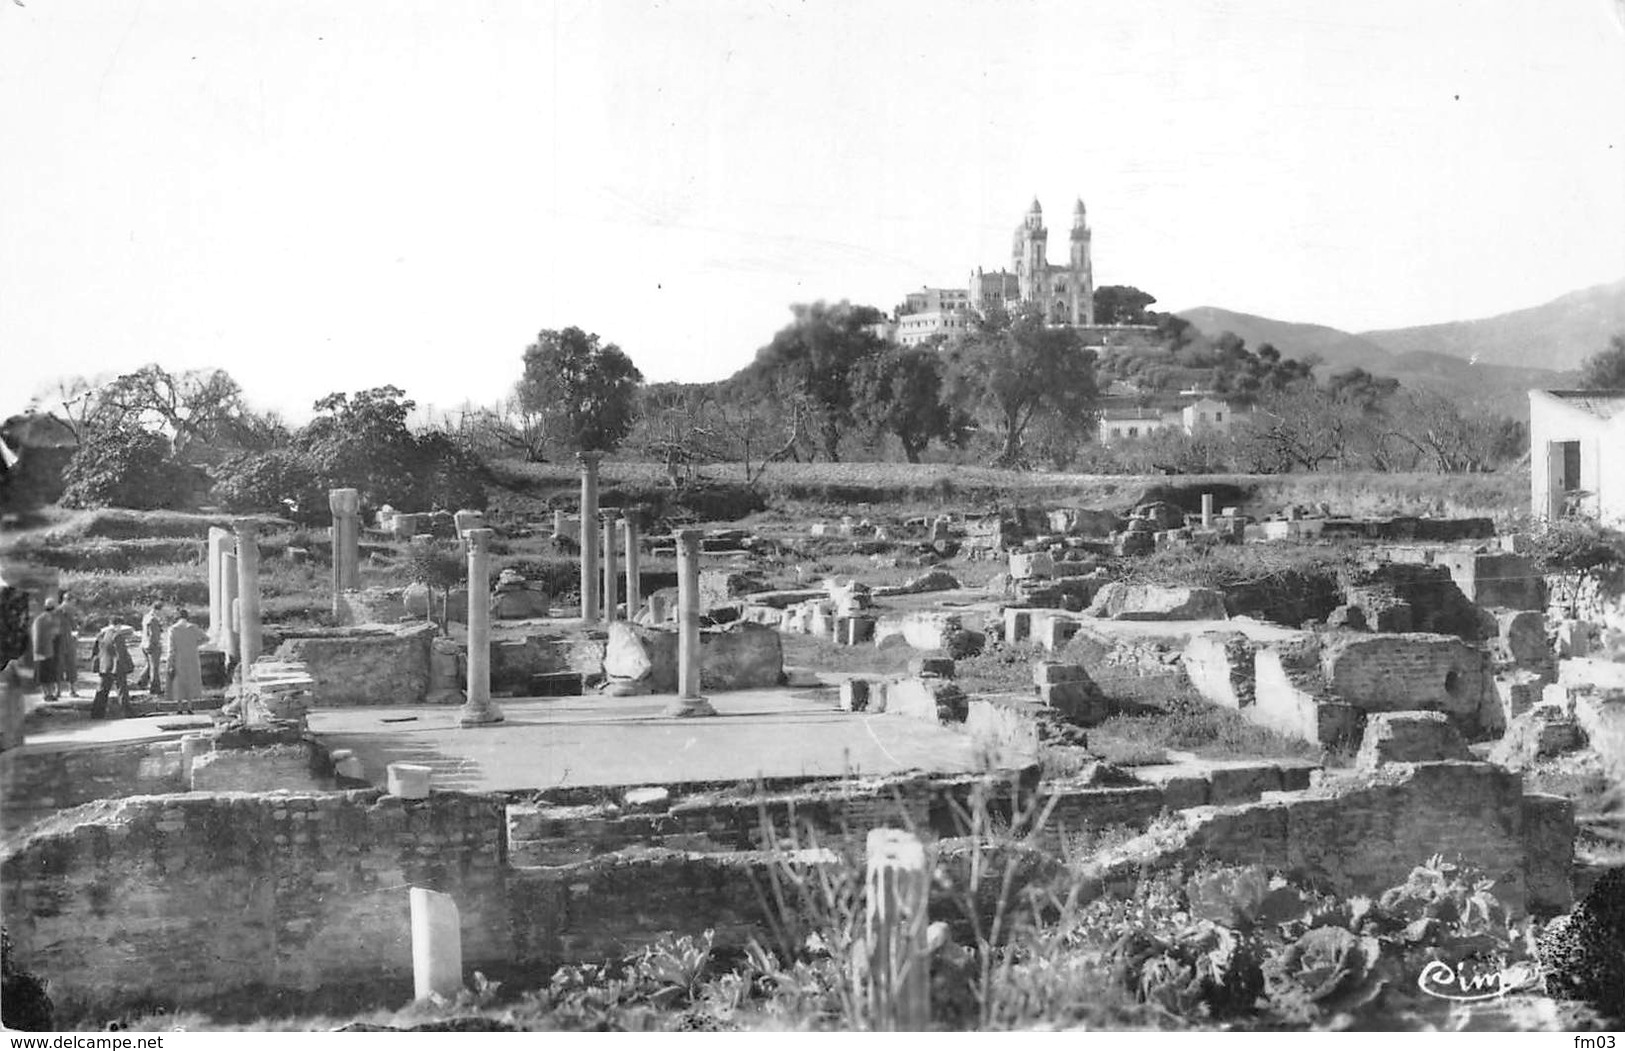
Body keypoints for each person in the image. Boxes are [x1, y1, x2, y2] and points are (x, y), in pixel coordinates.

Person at [164, 608, 207, 716]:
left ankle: (179, 707)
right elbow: (206, 638)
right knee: (190, 680)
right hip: (192, 657)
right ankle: (189, 706)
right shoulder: (193, 628)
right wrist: (195, 644)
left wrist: (169, 662)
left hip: (179, 658)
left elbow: (171, 648)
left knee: (179, 682)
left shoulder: (173, 629)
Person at [90, 621, 135, 720]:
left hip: (104, 666)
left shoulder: (101, 635)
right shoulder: (117, 635)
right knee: (122, 690)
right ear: (118, 625)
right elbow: (121, 652)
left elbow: (95, 651)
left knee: (102, 691)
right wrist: (128, 665)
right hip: (116, 666)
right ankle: (127, 712)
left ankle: (96, 713)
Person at [28, 598, 61, 701]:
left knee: (41, 674)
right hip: (48, 650)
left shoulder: (38, 619)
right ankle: (50, 694)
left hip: (37, 651)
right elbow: (56, 633)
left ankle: (45, 693)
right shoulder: (51, 618)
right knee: (49, 674)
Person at [53, 590, 82, 699]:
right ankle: (58, 690)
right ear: (67, 600)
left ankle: (71, 690)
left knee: (71, 666)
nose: (74, 604)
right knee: (59, 666)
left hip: (70, 642)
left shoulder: (73, 611)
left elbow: (78, 625)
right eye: (72, 602)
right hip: (60, 642)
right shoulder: (57, 611)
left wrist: (78, 629)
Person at [137, 601, 166, 696]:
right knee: (155, 667)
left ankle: (142, 681)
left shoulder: (146, 617)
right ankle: (155, 688)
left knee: (149, 665)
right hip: (152, 645)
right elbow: (154, 635)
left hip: (144, 644)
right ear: (159, 610)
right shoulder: (153, 619)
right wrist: (156, 644)